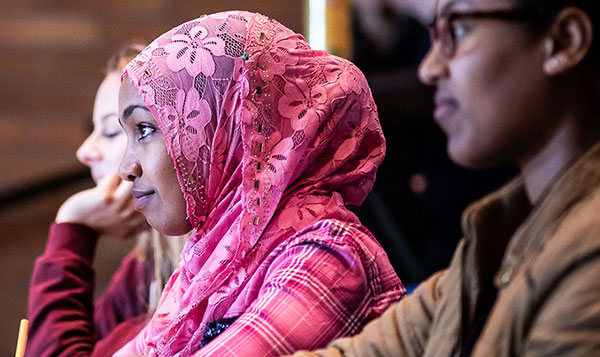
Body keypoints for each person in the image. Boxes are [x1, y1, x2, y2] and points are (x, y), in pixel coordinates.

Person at [292, 0, 600, 355]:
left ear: (564, 41)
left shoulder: (586, 252)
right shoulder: (493, 242)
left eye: (459, 29)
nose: (429, 68)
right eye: (434, 35)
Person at [111, 10, 405, 356]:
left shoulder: (327, 259)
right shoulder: (210, 261)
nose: (125, 167)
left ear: (229, 127)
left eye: (144, 130)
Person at [26, 43, 188, 356]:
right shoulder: (148, 265)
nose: (84, 151)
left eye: (115, 133)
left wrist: (73, 228)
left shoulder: (204, 278)